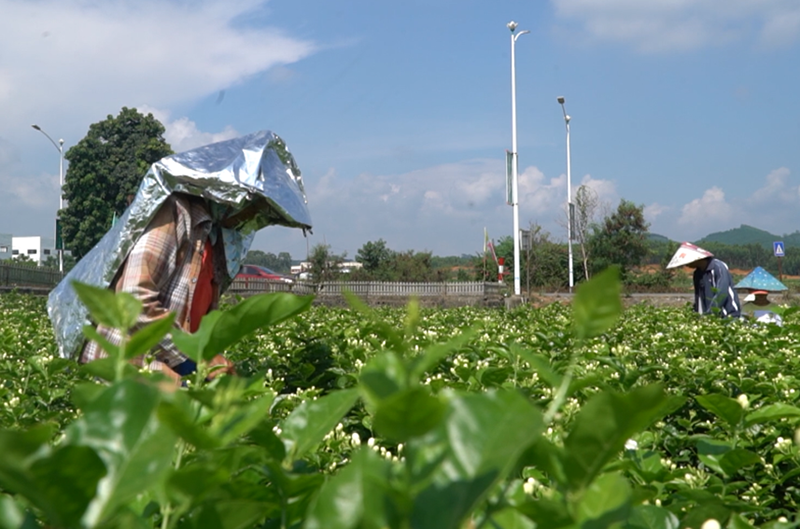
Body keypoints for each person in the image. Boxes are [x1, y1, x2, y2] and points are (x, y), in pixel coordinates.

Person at [48, 131, 313, 383]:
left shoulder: (216, 240)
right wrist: (197, 358)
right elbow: (133, 297)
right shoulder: (178, 215)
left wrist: (209, 360)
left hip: (168, 363)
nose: (251, 219)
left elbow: (197, 321)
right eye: (252, 208)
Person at [666, 242, 741, 318]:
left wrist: (710, 314)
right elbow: (699, 298)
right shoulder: (697, 274)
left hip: (728, 315)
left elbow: (721, 293)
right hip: (710, 317)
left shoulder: (718, 267)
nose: (686, 265)